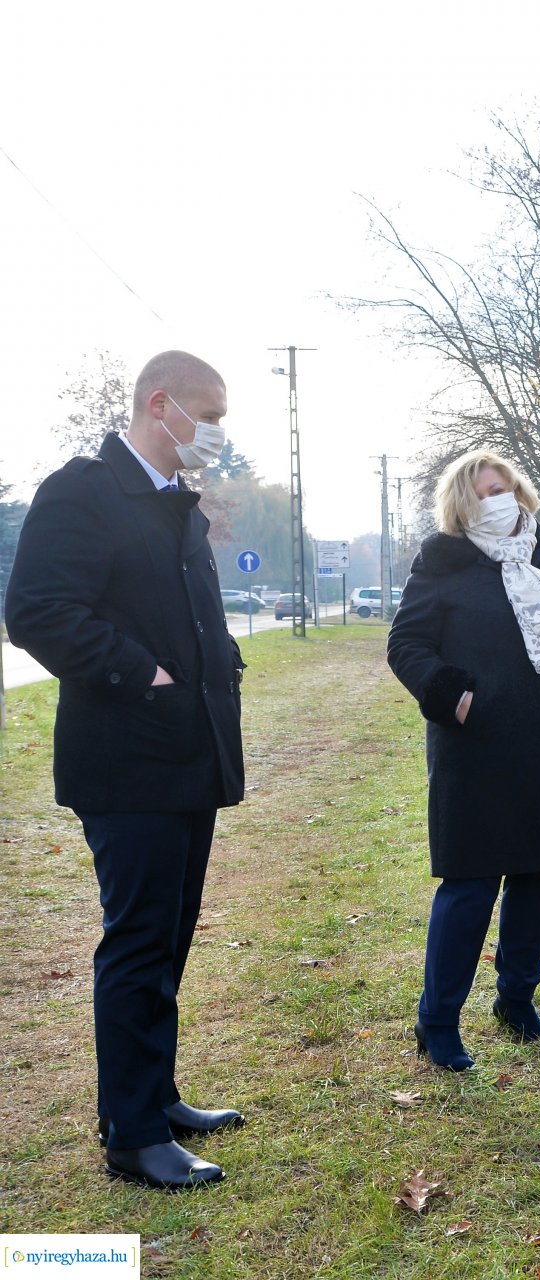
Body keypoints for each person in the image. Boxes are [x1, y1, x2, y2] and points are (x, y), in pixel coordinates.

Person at [5, 351, 247, 1189]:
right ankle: (132, 1135)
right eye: (208, 413)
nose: (217, 431)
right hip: (128, 762)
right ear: (160, 404)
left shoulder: (173, 500)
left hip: (189, 756)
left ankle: (158, 1095)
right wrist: (141, 673)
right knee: (139, 944)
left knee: (170, 938)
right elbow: (35, 609)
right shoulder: (83, 488)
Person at [386, 450, 540, 1072]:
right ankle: (436, 1022)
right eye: (484, 492)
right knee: (469, 886)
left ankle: (516, 1002)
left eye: (506, 488)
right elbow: (406, 644)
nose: (499, 500)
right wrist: (454, 698)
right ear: (462, 506)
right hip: (481, 746)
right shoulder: (443, 563)